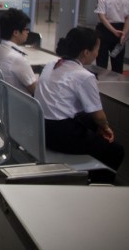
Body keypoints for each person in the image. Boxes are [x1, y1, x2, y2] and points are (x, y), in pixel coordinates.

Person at [35, 27, 124, 182]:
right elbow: (99, 116)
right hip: (60, 135)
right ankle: (99, 184)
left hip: (41, 128)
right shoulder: (84, 76)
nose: (98, 53)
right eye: (97, 49)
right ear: (86, 52)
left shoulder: (52, 64)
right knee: (115, 150)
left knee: (88, 125)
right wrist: (106, 128)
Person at [0, 8, 37, 96]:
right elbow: (35, 91)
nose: (27, 32)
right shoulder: (17, 59)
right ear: (15, 32)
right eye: (26, 29)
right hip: (16, 107)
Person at [94, 0, 129, 73]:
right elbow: (128, 18)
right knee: (118, 63)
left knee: (101, 62)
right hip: (121, 31)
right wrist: (123, 34)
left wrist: (113, 31)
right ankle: (116, 87)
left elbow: (102, 16)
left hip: (104, 31)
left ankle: (100, 86)